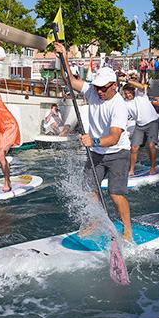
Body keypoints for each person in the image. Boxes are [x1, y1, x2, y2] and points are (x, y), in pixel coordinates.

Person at [54, 41, 133, 243]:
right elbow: (69, 80)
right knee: (89, 190)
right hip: (96, 152)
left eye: (103, 88)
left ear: (114, 86)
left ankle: (127, 229)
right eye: (97, 87)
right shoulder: (92, 91)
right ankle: (96, 222)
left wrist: (94, 139)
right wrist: (63, 57)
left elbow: (115, 137)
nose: (98, 92)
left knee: (116, 195)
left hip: (117, 153)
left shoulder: (119, 106)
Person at [122, 80, 159, 176]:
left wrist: (127, 80)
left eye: (129, 93)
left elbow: (142, 87)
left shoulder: (140, 94)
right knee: (134, 148)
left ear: (133, 91)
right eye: (126, 93)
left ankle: (153, 167)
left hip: (152, 122)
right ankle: (131, 170)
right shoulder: (125, 104)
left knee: (151, 145)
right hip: (139, 126)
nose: (128, 95)